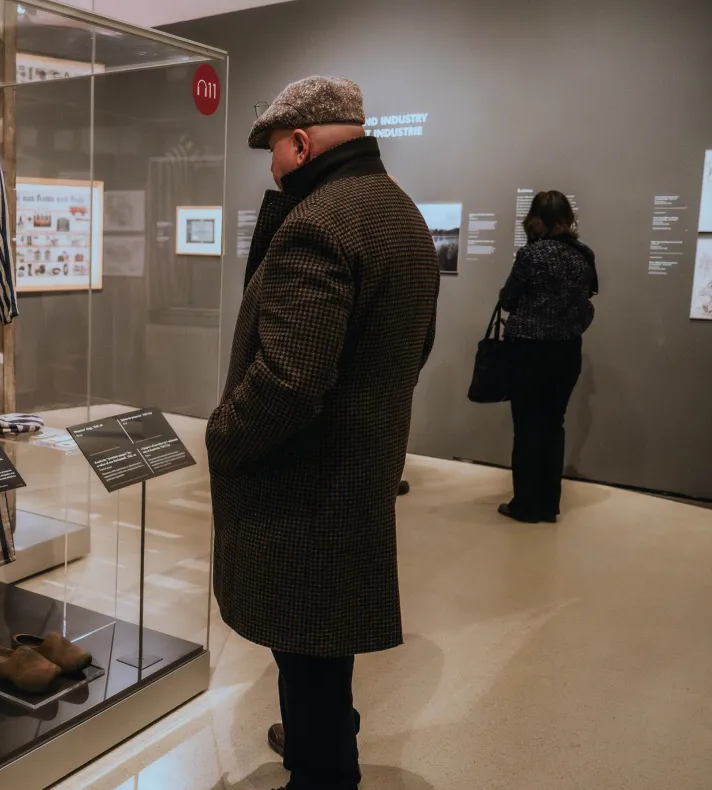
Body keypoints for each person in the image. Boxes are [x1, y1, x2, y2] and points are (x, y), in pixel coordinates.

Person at [207, 76, 440, 790]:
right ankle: (320, 733)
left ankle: (324, 767)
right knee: (320, 635)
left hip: (306, 481)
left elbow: (290, 379)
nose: (274, 169)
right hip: (357, 467)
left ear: (302, 143)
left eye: (276, 150)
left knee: (305, 638)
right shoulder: (399, 210)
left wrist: (222, 436)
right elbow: (417, 345)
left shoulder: (319, 222)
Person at [497, 190, 598, 524]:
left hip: (529, 350)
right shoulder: (584, 254)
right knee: (554, 424)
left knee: (527, 427)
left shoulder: (531, 254)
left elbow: (508, 299)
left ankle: (526, 504)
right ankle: (548, 503)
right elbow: (587, 300)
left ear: (537, 219)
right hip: (567, 351)